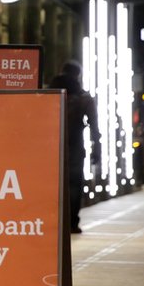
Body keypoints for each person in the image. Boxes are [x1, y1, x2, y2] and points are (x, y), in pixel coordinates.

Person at [50, 61, 102, 234]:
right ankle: (71, 223)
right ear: (78, 75)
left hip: (49, 145)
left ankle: (50, 221)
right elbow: (94, 126)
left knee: (50, 184)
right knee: (73, 185)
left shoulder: (48, 92)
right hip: (74, 146)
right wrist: (97, 150)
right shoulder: (83, 98)